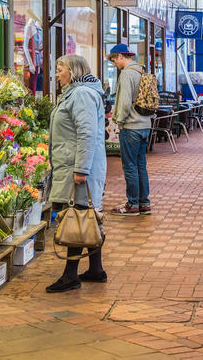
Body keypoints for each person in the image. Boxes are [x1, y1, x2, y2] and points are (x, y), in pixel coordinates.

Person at [46, 54, 107, 292]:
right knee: (88, 215)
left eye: (60, 69)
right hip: (74, 163)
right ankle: (96, 269)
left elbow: (87, 133)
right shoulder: (78, 92)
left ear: (72, 71)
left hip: (79, 166)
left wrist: (81, 169)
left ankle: (70, 276)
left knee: (77, 216)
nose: (57, 74)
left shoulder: (81, 94)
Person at [107, 44, 152, 216]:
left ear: (120, 56)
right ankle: (144, 202)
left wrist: (118, 120)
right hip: (145, 124)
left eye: (113, 60)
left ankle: (132, 204)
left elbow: (124, 102)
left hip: (131, 126)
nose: (114, 64)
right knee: (141, 165)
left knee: (130, 166)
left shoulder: (126, 74)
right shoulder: (142, 71)